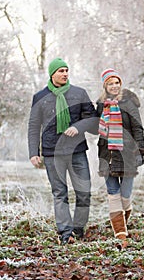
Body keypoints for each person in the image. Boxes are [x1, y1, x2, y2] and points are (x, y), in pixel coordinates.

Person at [28, 58, 98, 245]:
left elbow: (93, 120)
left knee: (84, 191)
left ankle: (78, 229)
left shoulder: (79, 93)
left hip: (77, 151)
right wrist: (33, 152)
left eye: (66, 70)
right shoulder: (40, 97)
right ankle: (65, 233)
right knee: (60, 192)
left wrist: (78, 126)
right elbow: (34, 126)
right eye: (61, 71)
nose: (65, 73)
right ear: (52, 74)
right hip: (52, 153)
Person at [96, 68, 144, 246]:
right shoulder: (100, 106)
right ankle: (120, 233)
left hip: (127, 154)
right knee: (113, 193)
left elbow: (138, 129)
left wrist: (141, 151)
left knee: (125, 195)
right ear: (105, 86)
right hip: (107, 154)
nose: (114, 86)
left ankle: (121, 221)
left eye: (117, 82)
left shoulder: (129, 104)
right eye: (110, 83)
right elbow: (94, 125)